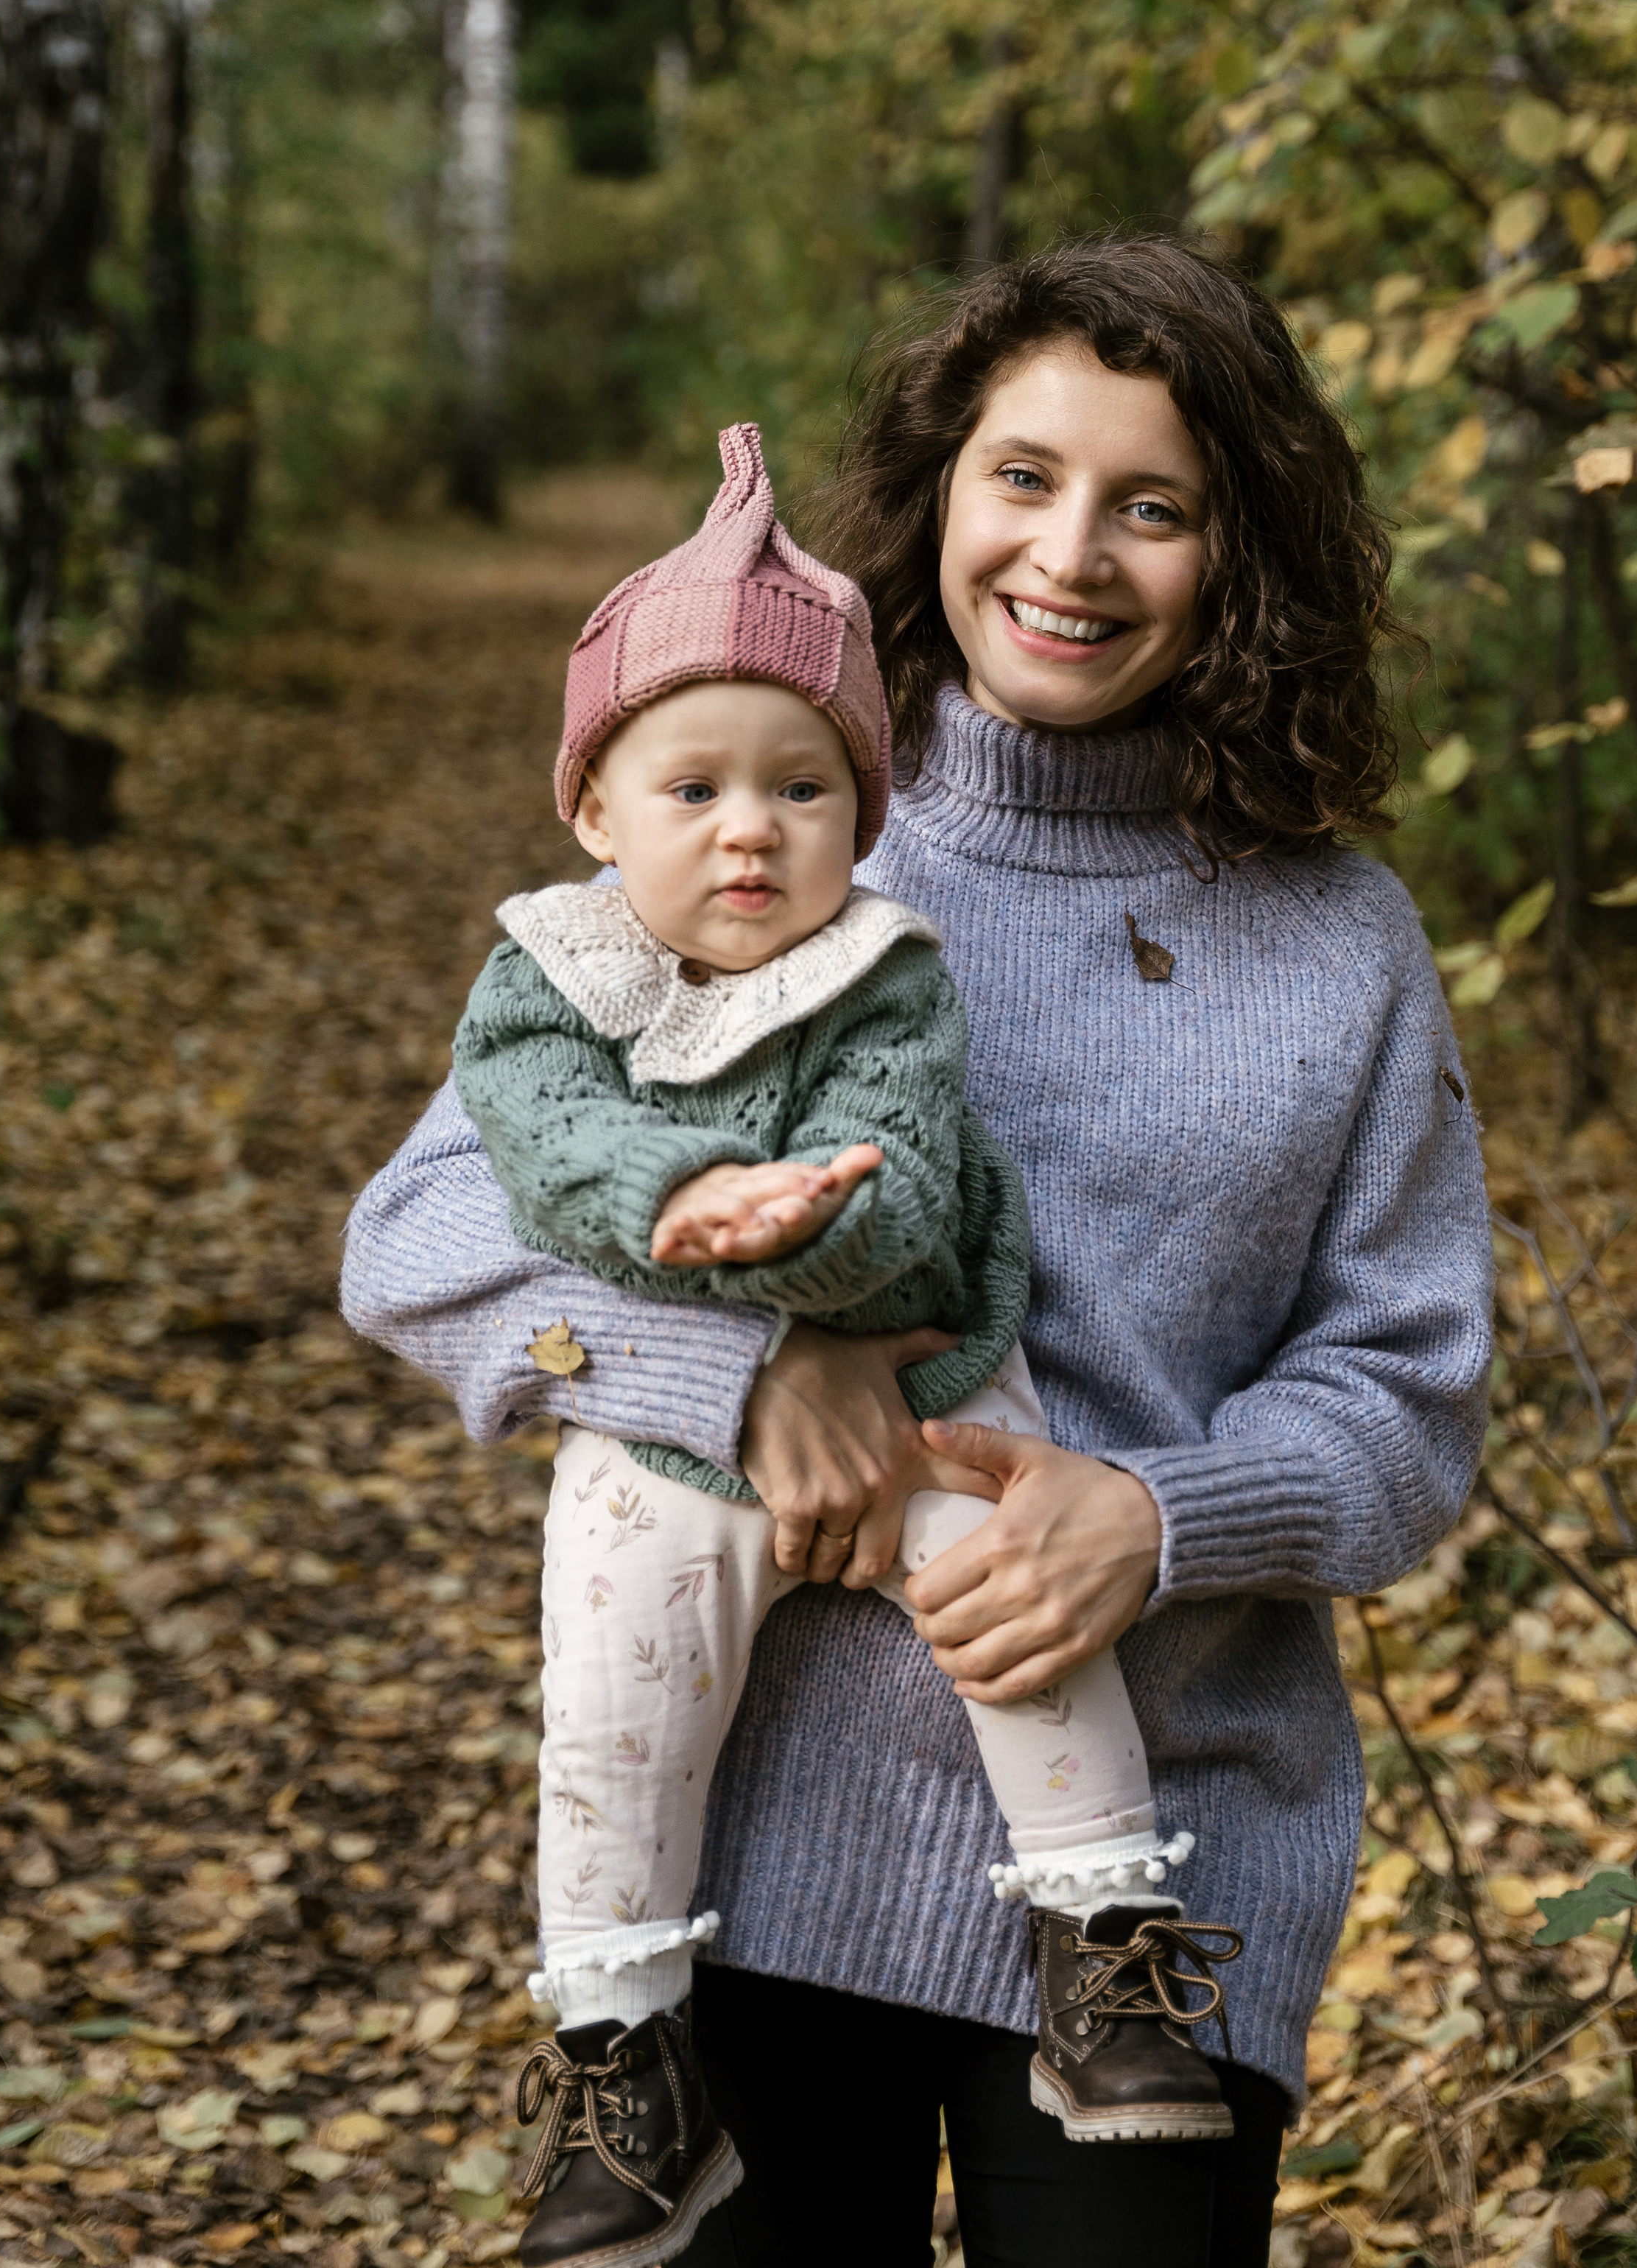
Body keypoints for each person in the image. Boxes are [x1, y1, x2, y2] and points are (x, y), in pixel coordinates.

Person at [342, 235, 1494, 2268]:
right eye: (1023, 479)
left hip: (1158, 1892)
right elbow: (424, 1233)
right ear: (938, 499)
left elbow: (1407, 1403)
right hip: (753, 1853)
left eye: (1157, 506)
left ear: (1242, 559)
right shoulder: (759, 817)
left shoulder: (1340, 941)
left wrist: (1154, 1515)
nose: (1074, 554)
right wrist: (741, 1374)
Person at [451, 424, 1229, 2268]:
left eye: (800, 791)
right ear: (592, 809)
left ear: (858, 814)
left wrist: (805, 1239)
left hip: (951, 1410)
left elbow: (903, 1172)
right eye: (694, 787)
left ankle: (1105, 1946)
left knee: (1018, 1623)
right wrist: (691, 1257)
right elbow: (500, 1166)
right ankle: (619, 2052)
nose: (749, 830)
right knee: (613, 1696)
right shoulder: (557, 967)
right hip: (668, 1461)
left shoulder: (886, 962)